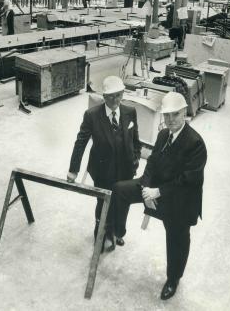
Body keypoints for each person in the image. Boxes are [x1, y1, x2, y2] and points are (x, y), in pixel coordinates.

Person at [113, 92, 207, 300]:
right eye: (167, 115)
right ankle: (117, 231)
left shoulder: (195, 143)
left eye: (175, 114)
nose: (171, 120)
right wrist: (146, 185)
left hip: (180, 197)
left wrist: (159, 191)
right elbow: (153, 162)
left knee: (177, 237)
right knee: (120, 189)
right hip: (156, 186)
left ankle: (173, 278)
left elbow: (188, 180)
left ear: (184, 113)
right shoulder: (164, 134)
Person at [67, 75, 142, 251]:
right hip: (102, 169)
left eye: (118, 95)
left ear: (123, 93)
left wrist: (135, 160)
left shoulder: (130, 112)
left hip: (125, 170)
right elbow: (81, 142)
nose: (115, 100)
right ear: (103, 96)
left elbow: (136, 140)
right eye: (110, 96)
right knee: (103, 204)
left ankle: (116, 232)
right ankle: (100, 235)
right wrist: (73, 170)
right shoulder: (92, 115)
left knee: (121, 203)